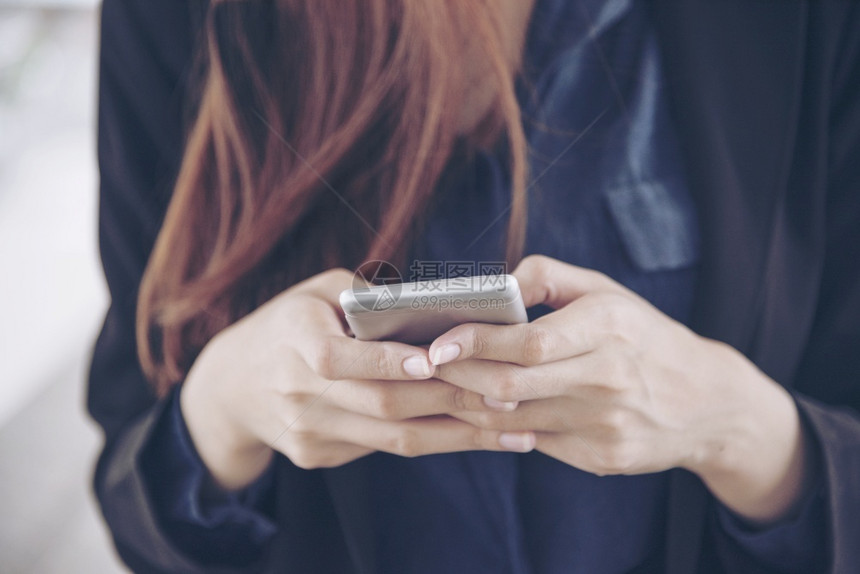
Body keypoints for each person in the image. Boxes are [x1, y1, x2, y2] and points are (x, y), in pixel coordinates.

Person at [89, 0, 860, 572]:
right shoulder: (178, 18)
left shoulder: (806, 22)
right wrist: (225, 410)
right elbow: (135, 493)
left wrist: (730, 423)